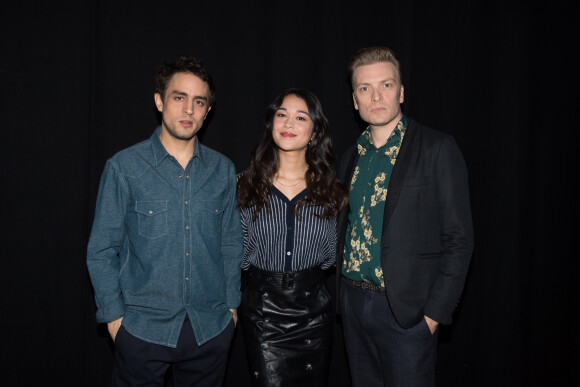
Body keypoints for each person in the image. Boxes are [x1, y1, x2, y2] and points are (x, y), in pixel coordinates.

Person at [86, 56, 243, 386]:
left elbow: (231, 243)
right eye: (179, 97)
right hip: (142, 332)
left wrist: (231, 309)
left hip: (210, 330)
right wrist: (114, 320)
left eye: (199, 102)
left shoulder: (223, 170)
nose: (189, 110)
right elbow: (101, 250)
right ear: (159, 101)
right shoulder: (124, 168)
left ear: (208, 110)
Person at [336, 46, 474, 387]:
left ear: (401, 91)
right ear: (355, 100)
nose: (376, 95)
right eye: (365, 88)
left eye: (386, 85)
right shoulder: (351, 157)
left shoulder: (437, 148)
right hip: (353, 306)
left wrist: (433, 315)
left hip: (406, 313)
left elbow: (459, 238)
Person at [236, 88, 348, 386]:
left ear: (314, 133)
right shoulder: (244, 186)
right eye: (281, 115)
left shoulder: (334, 192)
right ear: (271, 123)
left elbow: (333, 256)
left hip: (314, 313)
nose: (288, 123)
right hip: (263, 312)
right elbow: (236, 253)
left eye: (300, 117)